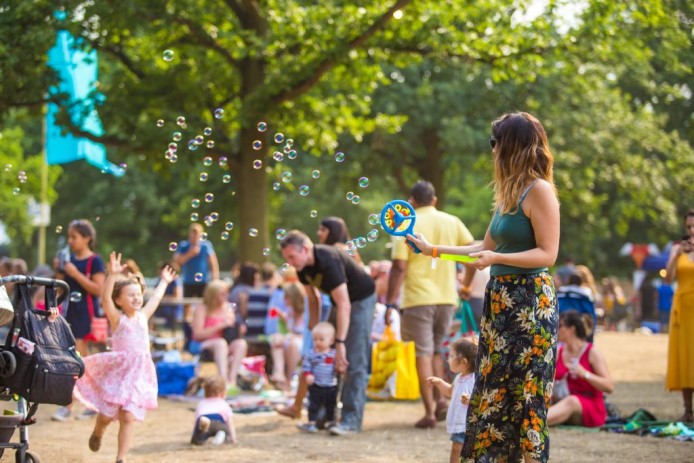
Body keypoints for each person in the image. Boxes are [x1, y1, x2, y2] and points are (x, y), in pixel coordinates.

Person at [407, 111, 560, 462]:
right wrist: (432, 249)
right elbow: (483, 246)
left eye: (495, 142)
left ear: (512, 146)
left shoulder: (540, 191)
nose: (491, 150)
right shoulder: (508, 193)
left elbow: (547, 252)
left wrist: (495, 260)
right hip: (502, 304)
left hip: (529, 305)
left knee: (526, 397)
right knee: (495, 394)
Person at [385, 180, 475, 429]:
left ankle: (429, 411)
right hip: (447, 297)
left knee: (422, 353)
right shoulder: (452, 221)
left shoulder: (403, 224)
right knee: (437, 350)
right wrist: (465, 285)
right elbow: (472, 255)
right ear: (434, 200)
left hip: (417, 299)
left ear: (410, 201)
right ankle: (442, 402)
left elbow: (399, 266)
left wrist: (390, 301)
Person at [74, 252, 176, 463]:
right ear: (119, 300)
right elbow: (104, 297)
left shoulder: (143, 316)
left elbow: (155, 298)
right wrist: (112, 275)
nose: (137, 298)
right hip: (119, 372)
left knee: (127, 416)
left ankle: (121, 459)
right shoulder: (117, 319)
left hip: (138, 373)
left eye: (138, 294)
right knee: (107, 415)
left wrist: (164, 282)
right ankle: (99, 430)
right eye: (131, 295)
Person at [280, 230, 375, 436]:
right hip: (340, 304)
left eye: (292, 257)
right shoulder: (302, 268)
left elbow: (345, 304)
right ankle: (324, 417)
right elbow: (313, 300)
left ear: (305, 249)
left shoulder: (328, 260)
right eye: (287, 258)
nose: (290, 262)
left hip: (359, 300)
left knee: (353, 360)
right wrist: (315, 331)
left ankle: (351, 420)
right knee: (324, 358)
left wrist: (339, 342)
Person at [51, 219, 106, 422]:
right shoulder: (68, 261)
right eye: (69, 237)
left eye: (74, 237)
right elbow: (59, 289)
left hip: (86, 314)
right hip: (67, 313)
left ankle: (91, 403)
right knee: (68, 360)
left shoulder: (95, 261)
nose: (70, 241)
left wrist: (75, 272)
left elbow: (98, 289)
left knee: (82, 360)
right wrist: (60, 272)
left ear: (87, 238)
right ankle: (68, 404)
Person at [548, 310, 613, 427]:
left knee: (572, 401)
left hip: (591, 407)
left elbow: (609, 386)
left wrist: (585, 374)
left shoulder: (591, 352)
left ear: (571, 329)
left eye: (560, 325)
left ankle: (534, 424)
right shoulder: (558, 352)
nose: (556, 328)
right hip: (561, 404)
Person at [191, 279, 248, 391]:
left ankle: (232, 381)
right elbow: (197, 334)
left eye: (227, 292)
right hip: (202, 345)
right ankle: (223, 381)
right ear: (213, 295)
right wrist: (220, 325)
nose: (226, 295)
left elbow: (230, 332)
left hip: (223, 344)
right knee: (220, 343)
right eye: (222, 293)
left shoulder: (228, 308)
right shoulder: (202, 309)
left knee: (241, 344)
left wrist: (237, 328)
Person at [427, 338, 478, 463]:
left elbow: (481, 400)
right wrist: (440, 383)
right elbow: (451, 391)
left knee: (458, 448)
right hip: (459, 424)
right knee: (457, 448)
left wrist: (472, 401)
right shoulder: (459, 378)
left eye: (451, 356)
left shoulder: (474, 380)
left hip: (467, 424)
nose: (448, 359)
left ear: (464, 362)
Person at [664, 210, 694, 422]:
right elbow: (668, 278)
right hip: (682, 308)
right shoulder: (677, 248)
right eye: (689, 227)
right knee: (685, 356)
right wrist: (677, 254)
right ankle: (687, 409)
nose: (691, 231)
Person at [296, 322, 338, 433]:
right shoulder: (311, 354)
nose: (317, 342)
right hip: (316, 385)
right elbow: (306, 366)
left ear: (331, 341)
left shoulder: (334, 355)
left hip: (331, 385)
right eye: (315, 340)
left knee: (331, 405)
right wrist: (308, 374)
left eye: (321, 339)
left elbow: (338, 367)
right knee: (313, 405)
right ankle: (311, 423)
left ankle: (331, 422)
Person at [269, 282, 305, 389]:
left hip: (302, 342)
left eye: (286, 297)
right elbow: (290, 330)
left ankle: (289, 380)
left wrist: (287, 337)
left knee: (292, 345)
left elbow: (304, 334)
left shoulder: (306, 312)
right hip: (292, 339)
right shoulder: (290, 312)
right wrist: (282, 317)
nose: (284, 300)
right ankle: (279, 373)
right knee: (276, 338)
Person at [174, 223, 220, 298]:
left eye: (197, 233)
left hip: (203, 282)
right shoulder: (184, 246)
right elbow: (177, 262)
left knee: (204, 305)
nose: (195, 236)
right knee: (187, 305)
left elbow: (213, 263)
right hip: (187, 281)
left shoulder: (206, 245)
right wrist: (190, 254)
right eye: (193, 233)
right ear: (189, 234)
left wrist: (215, 280)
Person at [190, 375, 237, 445]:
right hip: (217, 421)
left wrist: (194, 436)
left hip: (203, 421)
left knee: (198, 439)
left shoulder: (201, 403)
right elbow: (230, 423)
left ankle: (200, 440)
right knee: (223, 430)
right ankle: (221, 434)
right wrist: (233, 438)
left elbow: (196, 420)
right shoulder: (224, 404)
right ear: (223, 393)